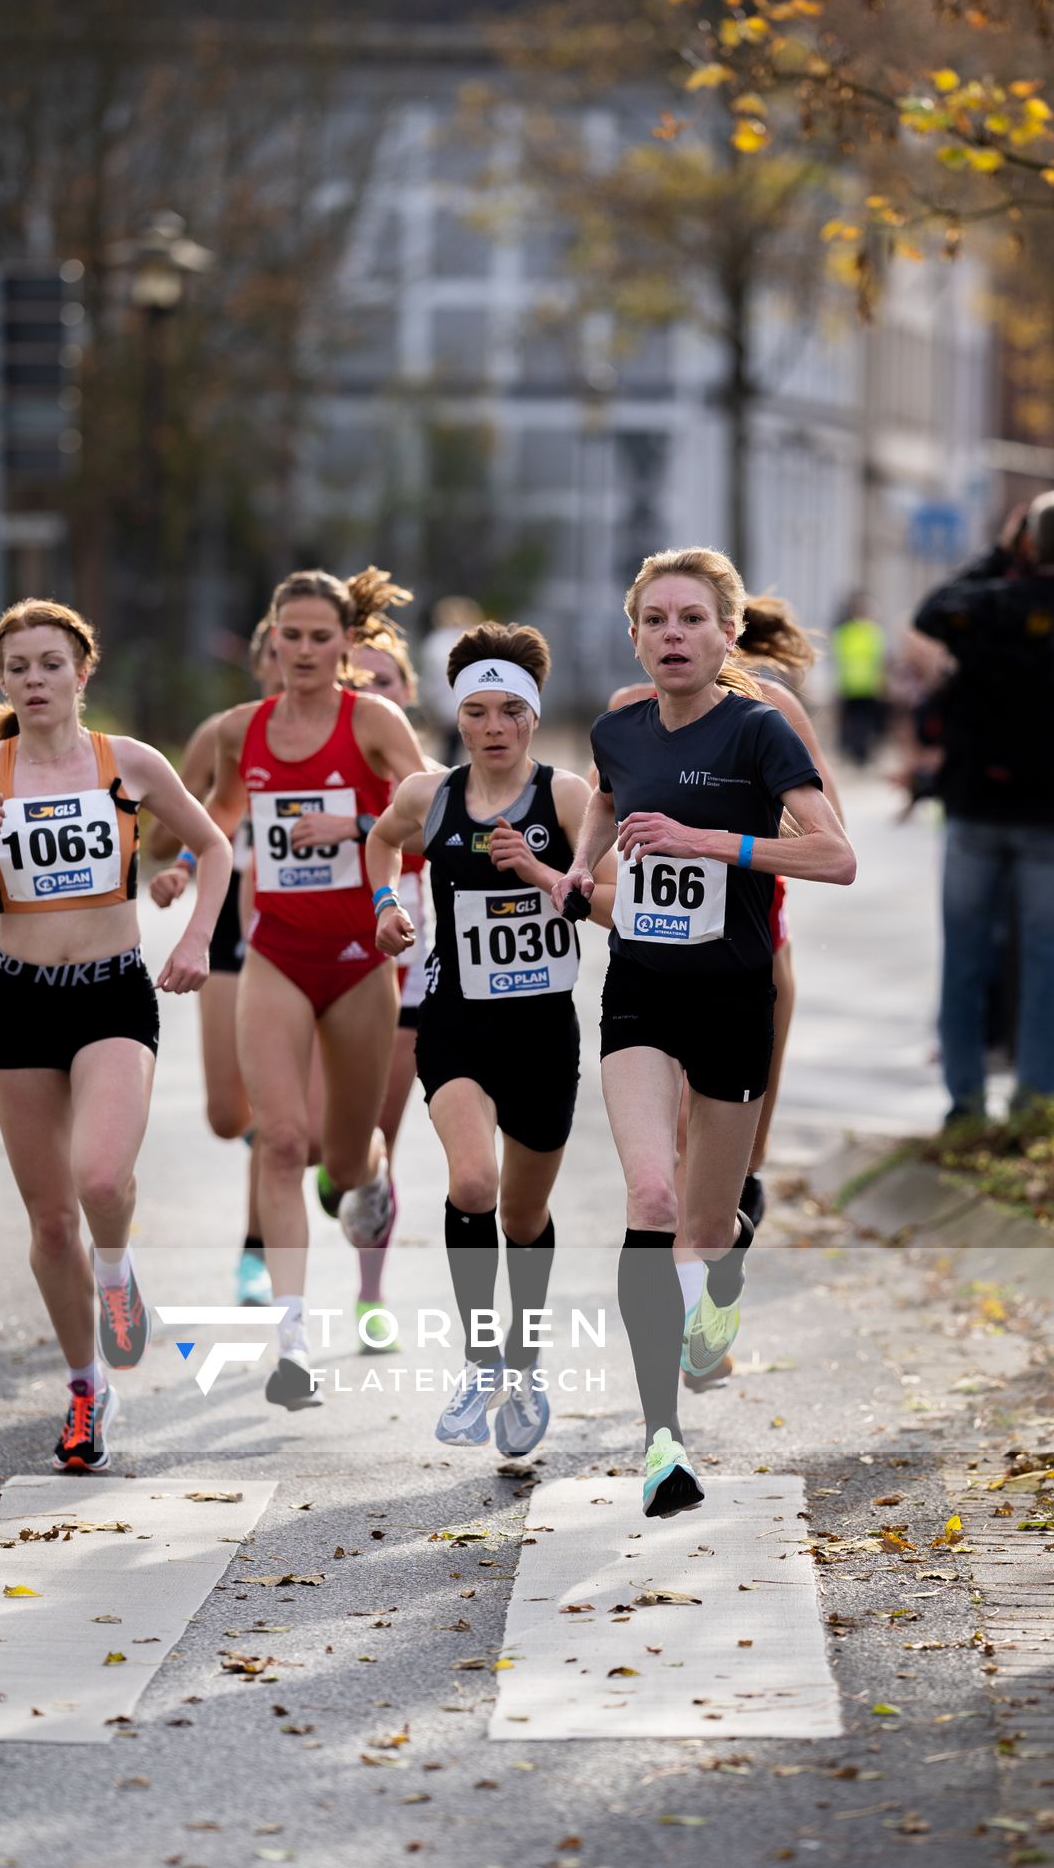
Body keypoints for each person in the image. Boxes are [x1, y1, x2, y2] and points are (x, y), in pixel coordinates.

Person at [554, 548, 855, 1518]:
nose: (672, 635)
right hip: (639, 991)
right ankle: (659, 1445)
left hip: (734, 995)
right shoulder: (616, 726)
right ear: (634, 635)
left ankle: (717, 1275)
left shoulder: (760, 730)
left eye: (691, 620)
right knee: (649, 1192)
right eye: (655, 621)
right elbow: (604, 794)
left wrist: (709, 842)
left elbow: (835, 856)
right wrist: (577, 865)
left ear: (727, 636)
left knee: (706, 1220)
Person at [0, 598, 232, 1472]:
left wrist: (200, 937)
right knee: (52, 1221)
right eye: (18, 668)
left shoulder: (125, 762)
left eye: (50, 664)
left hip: (112, 995)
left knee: (100, 1178)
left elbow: (213, 847)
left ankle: (120, 1270)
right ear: (4, 680)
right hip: (19, 1001)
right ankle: (88, 1387)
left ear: (82, 672)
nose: (35, 680)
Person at [370, 620, 614, 1456]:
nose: (495, 727)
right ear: (458, 716)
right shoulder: (428, 796)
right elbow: (380, 842)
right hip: (457, 1018)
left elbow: (617, 905)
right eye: (478, 710)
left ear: (534, 716)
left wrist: (549, 875)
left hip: (545, 1030)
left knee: (523, 1210)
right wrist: (387, 907)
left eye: (512, 710)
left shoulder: (571, 799)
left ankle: (524, 1355)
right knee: (473, 1182)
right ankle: (481, 1362)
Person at [209, 567, 429, 1409]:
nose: (302, 650)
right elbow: (222, 816)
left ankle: (368, 1178)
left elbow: (438, 808)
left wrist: (360, 825)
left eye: (318, 637)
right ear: (271, 640)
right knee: (279, 1140)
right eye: (288, 636)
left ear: (344, 645)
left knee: (342, 1158)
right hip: (276, 953)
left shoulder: (371, 721)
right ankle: (292, 1339)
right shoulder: (242, 729)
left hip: (360, 960)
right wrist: (184, 868)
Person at [148, 617, 284, 1308]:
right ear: (262, 661)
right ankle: (277, 1138)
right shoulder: (225, 733)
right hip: (232, 925)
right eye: (279, 653)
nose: (294, 664)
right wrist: (177, 857)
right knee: (229, 1115)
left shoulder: (355, 730)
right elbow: (166, 823)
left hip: (307, 933)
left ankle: (256, 1251)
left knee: (275, 1110)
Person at [914, 495, 1054, 1123]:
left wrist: (999, 552)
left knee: (964, 959)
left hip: (975, 807)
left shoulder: (988, 603)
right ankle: (1036, 1096)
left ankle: (965, 1101)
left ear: (1026, 542)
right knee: (1045, 961)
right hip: (1047, 814)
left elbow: (930, 612)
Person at [315, 626, 431, 1350]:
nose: (370, 694)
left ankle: (369, 1295)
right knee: (327, 1151)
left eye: (383, 681)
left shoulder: (435, 777)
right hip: (321, 971)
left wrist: (359, 823)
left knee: (376, 1141)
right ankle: (342, 1166)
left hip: (407, 976)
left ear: (408, 694)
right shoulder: (311, 766)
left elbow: (444, 833)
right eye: (355, 682)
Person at [421, 596, 483, 764]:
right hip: (465, 698)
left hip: (446, 702)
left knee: (451, 744)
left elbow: (430, 677)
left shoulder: (436, 640)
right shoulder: (474, 640)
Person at [832, 592, 887, 765]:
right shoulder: (873, 632)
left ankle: (851, 751)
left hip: (849, 684)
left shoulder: (844, 632)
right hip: (868, 685)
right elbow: (880, 660)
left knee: (851, 720)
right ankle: (861, 754)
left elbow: (838, 658)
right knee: (864, 722)